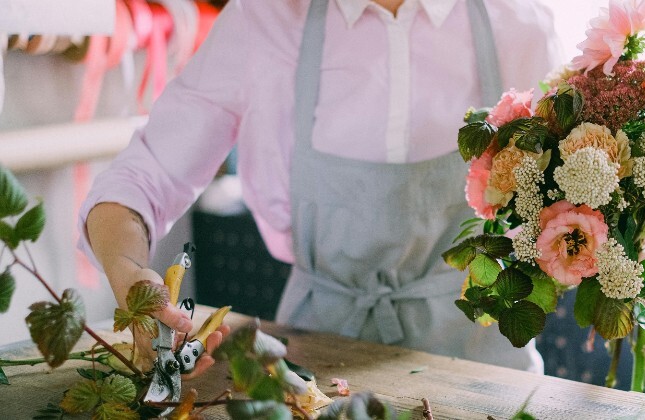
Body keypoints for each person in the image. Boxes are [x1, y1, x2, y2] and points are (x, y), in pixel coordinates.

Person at [81, 0, 561, 376]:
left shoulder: (521, 22)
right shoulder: (262, 20)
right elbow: (145, 175)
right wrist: (127, 270)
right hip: (317, 369)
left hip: (486, 368)